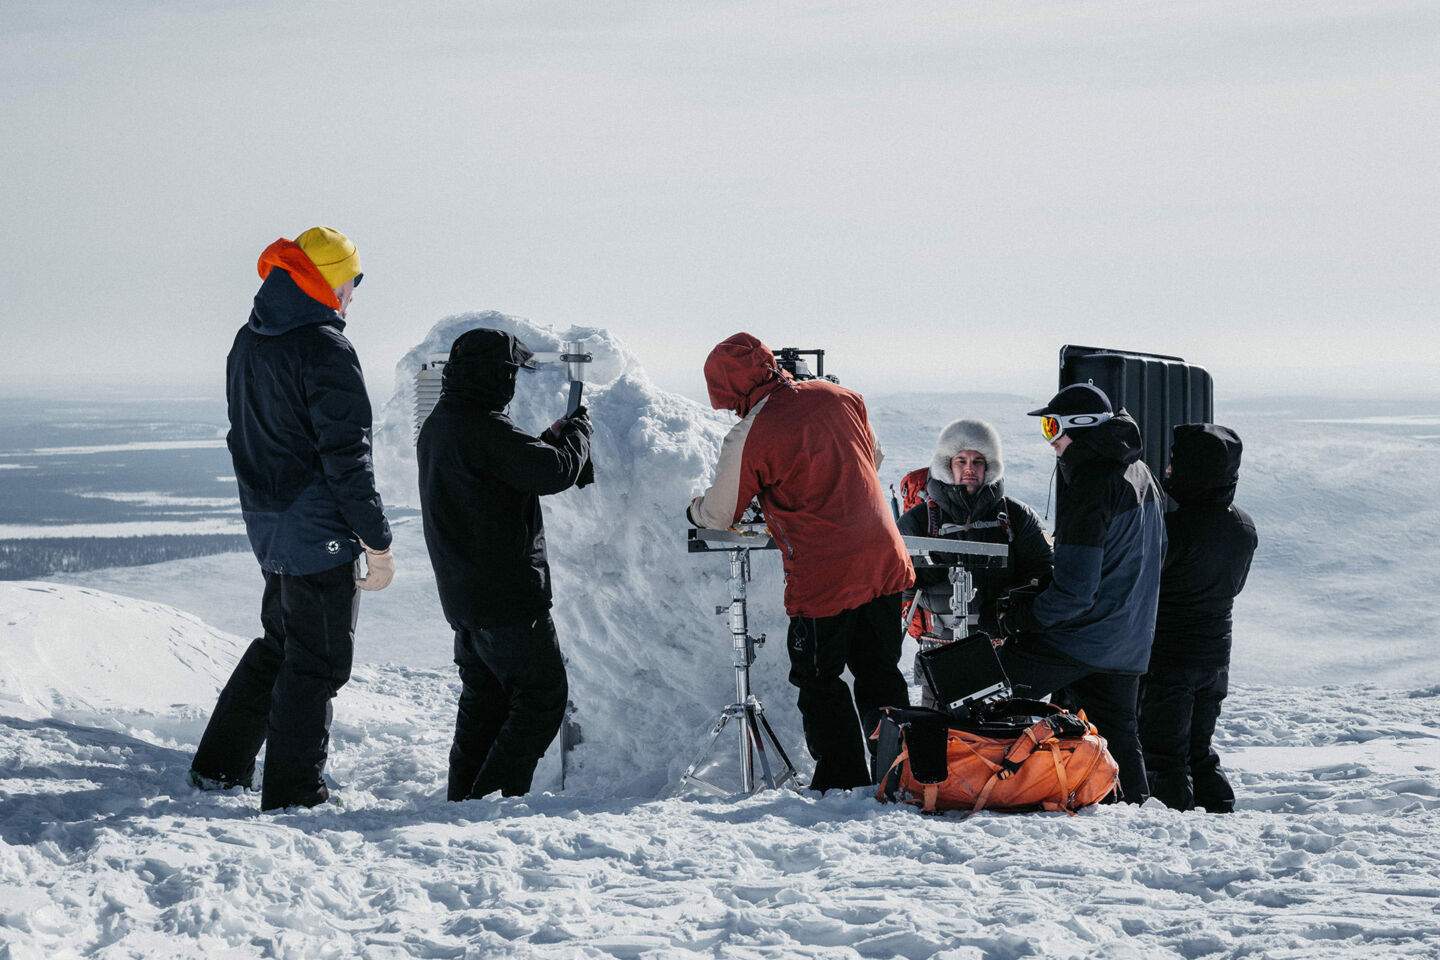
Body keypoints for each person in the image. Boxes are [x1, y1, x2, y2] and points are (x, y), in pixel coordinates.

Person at [191, 226, 394, 811]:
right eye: (352, 282)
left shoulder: (249, 339)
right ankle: (294, 794)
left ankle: (219, 768)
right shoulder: (324, 347)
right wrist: (376, 543)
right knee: (319, 660)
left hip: (268, 517)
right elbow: (347, 459)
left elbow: (244, 434)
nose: (353, 294)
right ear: (330, 280)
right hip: (317, 526)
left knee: (281, 642)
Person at [687, 333, 914, 792]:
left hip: (824, 573)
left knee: (818, 677)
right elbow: (874, 457)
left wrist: (693, 508)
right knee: (879, 673)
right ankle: (901, 774)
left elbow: (719, 512)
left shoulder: (751, 431)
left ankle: (842, 782)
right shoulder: (841, 396)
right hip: (885, 561)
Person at [417, 328, 593, 801]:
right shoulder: (484, 426)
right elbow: (553, 472)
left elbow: (499, 471)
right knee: (541, 700)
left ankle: (464, 802)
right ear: (497, 376)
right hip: (508, 597)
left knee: (485, 704)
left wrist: (546, 440)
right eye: (511, 373)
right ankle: (492, 797)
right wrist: (578, 433)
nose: (513, 383)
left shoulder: (443, 423)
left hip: (465, 598)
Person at [997, 383, 1166, 803]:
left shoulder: (1091, 484)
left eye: (1053, 427)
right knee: (1119, 740)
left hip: (1080, 638)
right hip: (1127, 643)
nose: (1051, 440)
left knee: (985, 691)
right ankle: (1138, 818)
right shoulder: (1139, 471)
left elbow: (1074, 595)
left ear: (1082, 428)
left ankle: (989, 790)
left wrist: (1018, 616)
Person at [1141, 423, 1257, 812]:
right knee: (1199, 750)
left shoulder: (1173, 530)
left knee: (1164, 756)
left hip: (1171, 658)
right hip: (1215, 658)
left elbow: (1143, 585)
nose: (1169, 472)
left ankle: (1175, 830)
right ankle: (1221, 811)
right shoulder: (1243, 526)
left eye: (1176, 465)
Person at [896, 418, 1053, 705]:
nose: (969, 468)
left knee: (999, 738)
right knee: (942, 737)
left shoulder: (1017, 517)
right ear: (947, 464)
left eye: (978, 461)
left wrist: (1011, 607)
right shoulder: (917, 521)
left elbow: (1044, 572)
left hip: (1003, 651)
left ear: (990, 466)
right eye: (961, 460)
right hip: (939, 651)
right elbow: (892, 579)